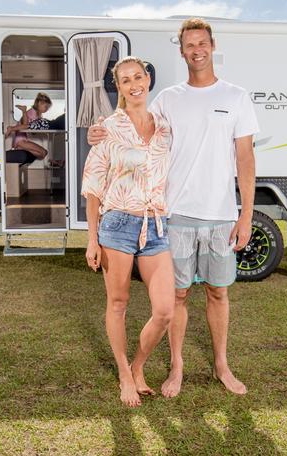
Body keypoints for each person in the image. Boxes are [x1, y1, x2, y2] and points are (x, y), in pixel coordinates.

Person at [88, 18, 259, 397]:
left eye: (202, 43)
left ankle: (221, 366)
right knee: (176, 297)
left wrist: (245, 213)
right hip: (173, 216)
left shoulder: (236, 97)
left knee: (218, 293)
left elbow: (245, 157)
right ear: (181, 51)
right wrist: (95, 134)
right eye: (189, 45)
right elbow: (133, 128)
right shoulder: (167, 100)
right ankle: (176, 368)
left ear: (212, 45)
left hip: (220, 215)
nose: (196, 50)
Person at [81, 56, 175, 407]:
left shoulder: (166, 126)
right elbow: (93, 187)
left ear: (148, 79)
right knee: (118, 303)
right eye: (125, 80)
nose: (134, 84)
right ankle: (124, 374)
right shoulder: (108, 128)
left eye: (138, 77)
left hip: (156, 225)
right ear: (118, 87)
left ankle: (138, 367)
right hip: (117, 223)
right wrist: (92, 239)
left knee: (165, 310)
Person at [6, 92, 51, 160]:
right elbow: (26, 125)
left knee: (43, 154)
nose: (47, 109)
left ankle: (19, 148)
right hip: (20, 141)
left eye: (48, 107)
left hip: (23, 140)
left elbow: (32, 130)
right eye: (46, 107)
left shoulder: (37, 114)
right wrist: (24, 112)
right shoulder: (32, 112)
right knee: (44, 153)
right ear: (39, 103)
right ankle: (12, 130)